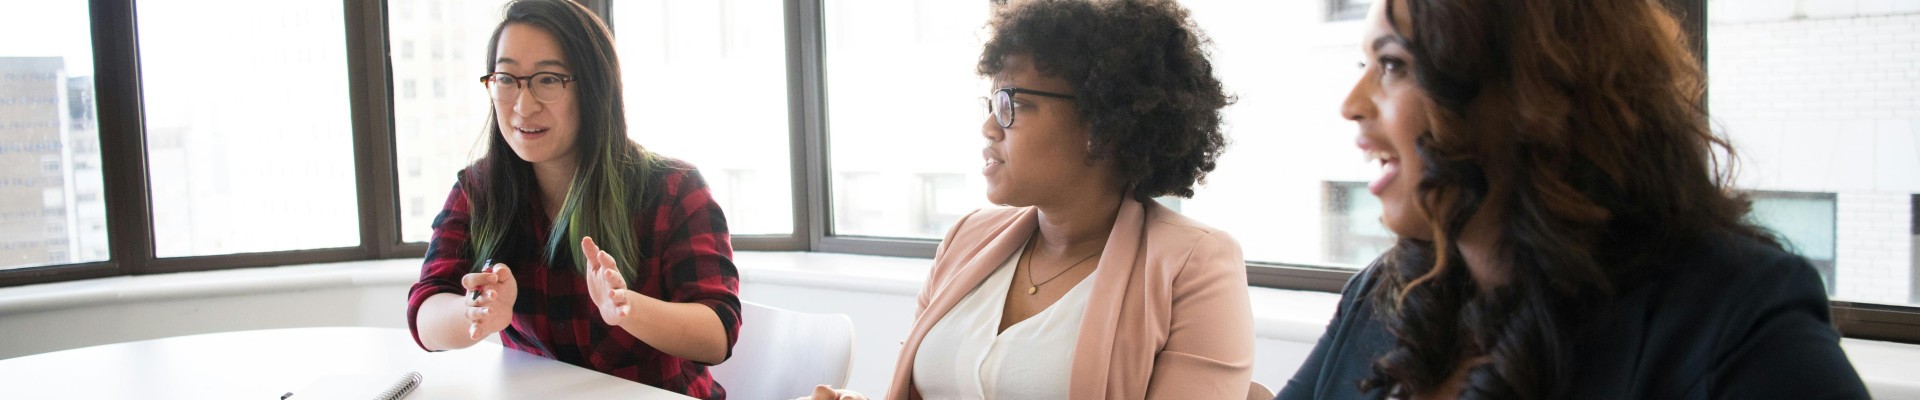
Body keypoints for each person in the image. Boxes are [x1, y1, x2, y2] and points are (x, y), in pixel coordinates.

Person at [1277, 0, 1870, 398]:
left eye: (1391, 64)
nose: (1351, 103)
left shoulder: (1732, 320)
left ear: (1535, 91)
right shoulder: (1385, 294)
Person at [807, 1, 1250, 399]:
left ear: (1102, 124)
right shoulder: (966, 238)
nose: (988, 127)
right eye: (991, 102)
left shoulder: (1194, 264)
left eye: (1010, 103)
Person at [404, 1, 742, 399]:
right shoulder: (479, 190)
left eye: (548, 80)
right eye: (508, 78)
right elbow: (426, 313)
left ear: (594, 88)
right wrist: (474, 312)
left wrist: (627, 308)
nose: (523, 106)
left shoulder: (673, 188)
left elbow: (717, 333)